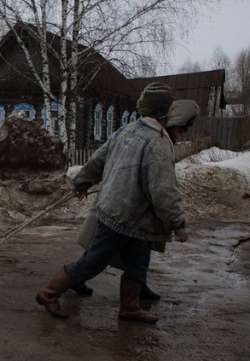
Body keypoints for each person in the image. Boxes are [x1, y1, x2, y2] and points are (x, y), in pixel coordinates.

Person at [35, 83, 193, 324]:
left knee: (138, 263)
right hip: (124, 215)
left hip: (128, 216)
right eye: (171, 109)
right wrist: (178, 224)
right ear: (162, 111)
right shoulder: (158, 142)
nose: (173, 114)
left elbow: (99, 158)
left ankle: (129, 307)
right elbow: (163, 190)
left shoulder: (127, 129)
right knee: (93, 262)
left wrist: (83, 180)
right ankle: (49, 293)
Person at [70, 99, 200, 300]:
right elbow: (101, 158)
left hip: (135, 207)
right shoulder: (149, 138)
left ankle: (138, 286)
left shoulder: (152, 135)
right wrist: (83, 181)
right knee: (100, 249)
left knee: (139, 250)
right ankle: (68, 281)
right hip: (122, 204)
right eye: (183, 126)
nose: (183, 132)